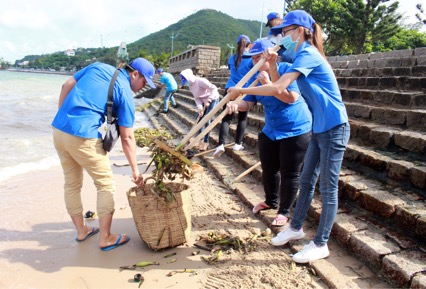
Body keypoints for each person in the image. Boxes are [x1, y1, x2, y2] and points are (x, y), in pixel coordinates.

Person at [229, 10, 350, 263]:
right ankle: (295, 228)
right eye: (281, 32)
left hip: (335, 127)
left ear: (302, 30)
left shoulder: (308, 53)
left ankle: (321, 243)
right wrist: (272, 64)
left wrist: (241, 89)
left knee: (327, 188)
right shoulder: (297, 55)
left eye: (287, 31)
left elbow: (279, 88)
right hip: (319, 128)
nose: (283, 36)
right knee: (306, 181)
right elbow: (277, 83)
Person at [52, 57, 156, 251]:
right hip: (82, 135)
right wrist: (135, 170)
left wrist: (62, 115)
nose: (143, 87)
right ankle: (106, 237)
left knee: (72, 183)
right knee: (105, 184)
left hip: (59, 130)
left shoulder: (98, 67)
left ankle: (82, 231)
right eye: (143, 82)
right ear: (135, 74)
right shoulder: (125, 92)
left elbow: (66, 85)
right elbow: (127, 138)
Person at [227, 38, 312, 227]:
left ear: (270, 56)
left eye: (259, 57)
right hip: (271, 129)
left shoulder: (287, 70)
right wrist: (233, 104)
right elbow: (247, 103)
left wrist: (269, 84)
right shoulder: (255, 77)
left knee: (290, 172)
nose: (254, 61)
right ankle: (270, 201)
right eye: (253, 58)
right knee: (269, 168)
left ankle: (284, 211)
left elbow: (290, 98)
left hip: (295, 128)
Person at [213, 34, 254, 158]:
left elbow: (231, 70)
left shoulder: (233, 58)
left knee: (226, 118)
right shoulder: (251, 58)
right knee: (242, 118)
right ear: (249, 45)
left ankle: (221, 144)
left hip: (230, 89)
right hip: (243, 90)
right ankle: (237, 143)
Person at [179, 68, 220, 151]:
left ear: (189, 78)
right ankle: (200, 139)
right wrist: (200, 108)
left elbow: (214, 88)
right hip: (203, 102)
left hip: (213, 99)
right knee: (199, 119)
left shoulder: (200, 81)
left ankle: (206, 141)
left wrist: (209, 100)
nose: (186, 83)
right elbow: (197, 98)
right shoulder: (191, 86)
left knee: (206, 120)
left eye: (186, 81)